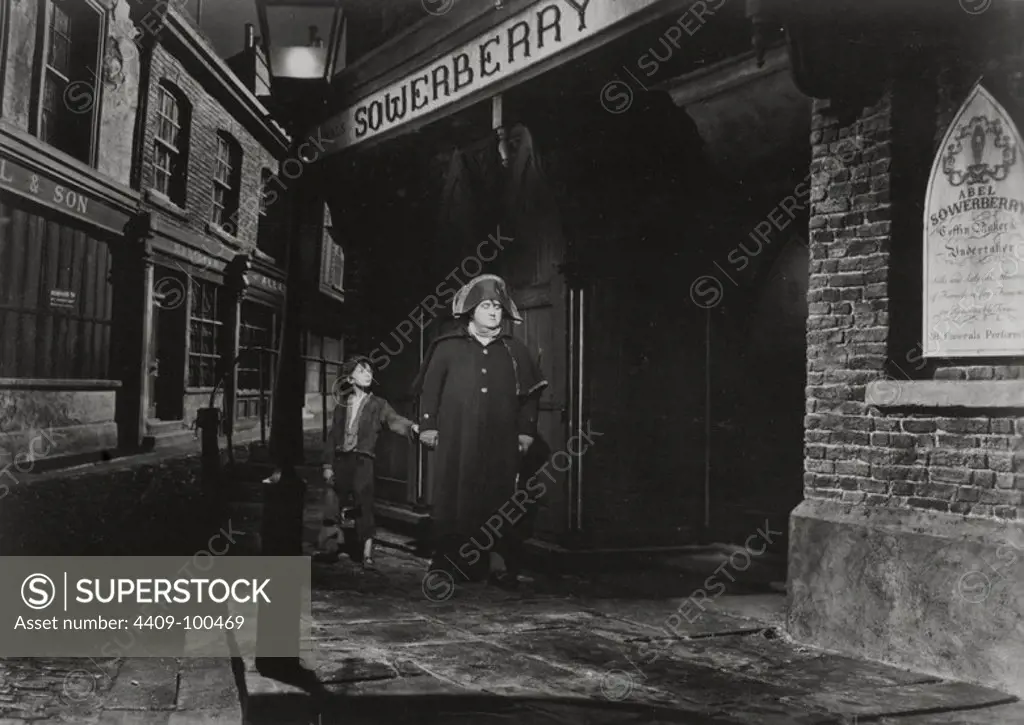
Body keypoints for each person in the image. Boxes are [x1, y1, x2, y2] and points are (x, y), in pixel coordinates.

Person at [412, 274, 547, 590]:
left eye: (498, 307)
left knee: (498, 499)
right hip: (457, 440)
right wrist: (429, 426)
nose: (493, 312)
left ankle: (498, 563)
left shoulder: (514, 350)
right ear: (471, 310)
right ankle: (446, 565)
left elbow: (530, 396)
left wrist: (526, 432)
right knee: (453, 501)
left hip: (500, 442)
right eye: (486, 306)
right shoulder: (447, 346)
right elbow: (430, 390)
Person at [316, 355, 419, 569]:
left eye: (370, 371)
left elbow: (394, 421)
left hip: (363, 460)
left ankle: (366, 554)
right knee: (332, 502)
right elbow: (333, 436)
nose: (367, 374)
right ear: (350, 379)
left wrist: (412, 428)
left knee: (364, 505)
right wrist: (327, 465)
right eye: (362, 371)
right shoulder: (342, 406)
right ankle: (329, 548)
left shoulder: (378, 404)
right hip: (341, 460)